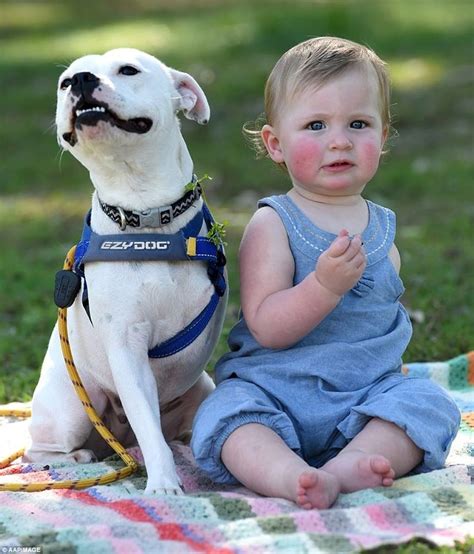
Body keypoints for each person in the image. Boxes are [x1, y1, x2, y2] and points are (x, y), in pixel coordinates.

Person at [191, 37, 460, 509]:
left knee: (428, 403)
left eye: (358, 123)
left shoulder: (382, 229)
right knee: (226, 415)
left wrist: (382, 384)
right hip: (274, 394)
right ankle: (285, 473)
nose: (339, 140)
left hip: (365, 399)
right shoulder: (273, 223)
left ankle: (348, 465)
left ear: (383, 136)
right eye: (315, 125)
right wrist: (323, 287)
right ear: (276, 144)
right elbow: (267, 327)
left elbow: (377, 328)